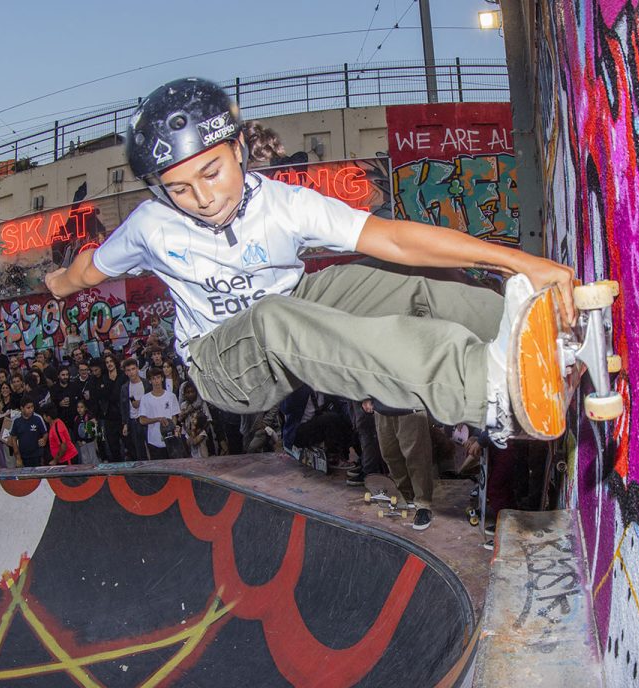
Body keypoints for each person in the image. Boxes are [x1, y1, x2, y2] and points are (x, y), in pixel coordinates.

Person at [43, 78, 576, 448]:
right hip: (221, 363)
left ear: (238, 150)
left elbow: (393, 238)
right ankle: (486, 389)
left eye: (212, 173)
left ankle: (534, 333)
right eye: (180, 189)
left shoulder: (285, 204)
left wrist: (515, 264)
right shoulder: (149, 226)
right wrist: (58, 284)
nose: (203, 199)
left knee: (398, 278)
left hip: (293, 307)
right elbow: (87, 271)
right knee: (272, 319)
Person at [137, 368, 179, 460]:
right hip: (154, 441)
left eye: (158, 377)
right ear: (150, 381)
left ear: (162, 378)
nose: (156, 381)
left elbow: (174, 416)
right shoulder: (145, 399)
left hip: (170, 440)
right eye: (153, 378)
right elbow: (142, 420)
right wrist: (158, 419)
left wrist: (171, 428)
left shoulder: (171, 396)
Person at [119, 358, 148, 460]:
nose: (131, 372)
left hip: (147, 420)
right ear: (126, 372)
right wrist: (125, 424)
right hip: (133, 422)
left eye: (133, 369)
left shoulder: (146, 384)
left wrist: (140, 402)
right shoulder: (125, 388)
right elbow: (124, 407)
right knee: (138, 451)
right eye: (128, 370)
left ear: (137, 369)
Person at [9, 399, 48, 468]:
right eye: (28, 408)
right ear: (22, 408)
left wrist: (44, 439)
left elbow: (45, 433)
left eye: (32, 407)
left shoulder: (38, 418)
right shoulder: (16, 420)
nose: (31, 410)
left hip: (37, 455)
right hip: (23, 456)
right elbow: (13, 439)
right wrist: (18, 457)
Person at [72, 399, 99, 466]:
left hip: (90, 442)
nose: (79, 409)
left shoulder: (89, 416)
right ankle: (87, 471)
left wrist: (91, 440)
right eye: (78, 407)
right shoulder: (76, 418)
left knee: (93, 457)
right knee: (85, 459)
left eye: (81, 407)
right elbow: (75, 431)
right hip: (82, 443)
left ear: (85, 408)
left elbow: (93, 429)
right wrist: (78, 440)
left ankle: (96, 470)